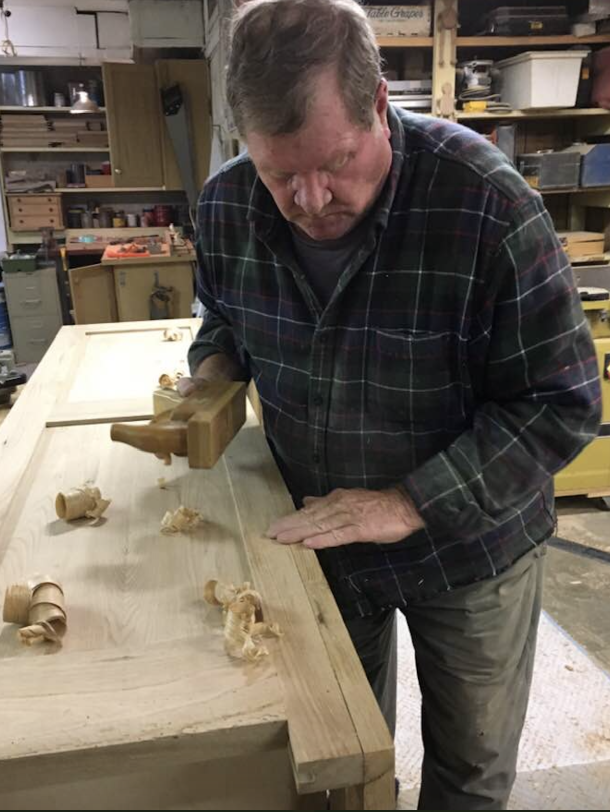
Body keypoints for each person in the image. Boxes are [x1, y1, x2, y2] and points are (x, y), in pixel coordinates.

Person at [179, 1, 601, 808]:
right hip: (319, 531)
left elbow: (561, 402)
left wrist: (412, 501)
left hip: (471, 548)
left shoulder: (488, 205)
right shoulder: (229, 206)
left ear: (380, 105)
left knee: (469, 770)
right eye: (279, 172)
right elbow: (223, 316)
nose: (308, 199)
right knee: (340, 756)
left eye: (334, 162)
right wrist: (215, 365)